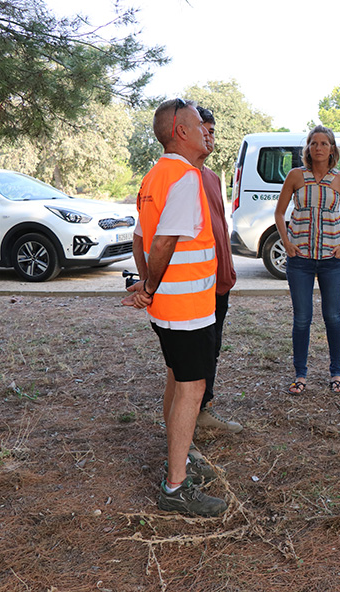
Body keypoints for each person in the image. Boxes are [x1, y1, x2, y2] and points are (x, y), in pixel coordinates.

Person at [123, 98, 227, 517]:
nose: (205, 129)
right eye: (197, 123)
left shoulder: (155, 177)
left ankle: (177, 461)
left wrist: (148, 288)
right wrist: (147, 285)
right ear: (179, 131)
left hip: (170, 307)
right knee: (191, 386)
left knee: (176, 379)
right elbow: (163, 241)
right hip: (186, 307)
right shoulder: (184, 177)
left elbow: (138, 239)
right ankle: (175, 486)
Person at [274, 125, 340, 395]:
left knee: (333, 317)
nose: (319, 147)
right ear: (308, 148)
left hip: (332, 260)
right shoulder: (296, 176)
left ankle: (336, 374)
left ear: (332, 148)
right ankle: (300, 375)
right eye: (314, 143)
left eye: (324, 143)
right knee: (302, 319)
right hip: (301, 261)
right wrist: (287, 243)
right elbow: (279, 213)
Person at [193, 106, 242, 434]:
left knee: (212, 347)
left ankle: (203, 409)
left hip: (218, 283)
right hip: (194, 286)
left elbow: (219, 230)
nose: (210, 137)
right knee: (194, 354)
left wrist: (227, 271)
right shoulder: (180, 177)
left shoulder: (210, 177)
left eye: (213, 131)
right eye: (204, 130)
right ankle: (189, 416)